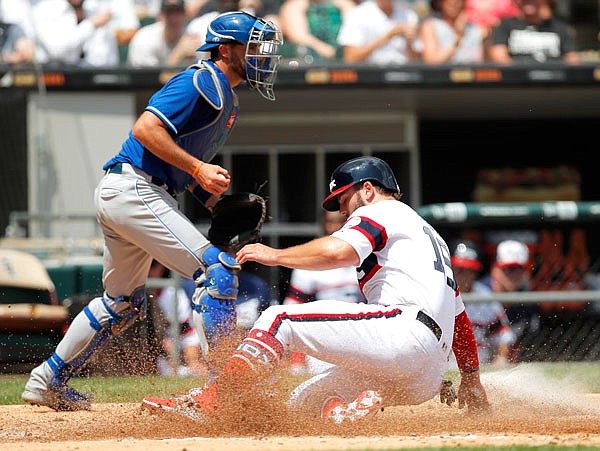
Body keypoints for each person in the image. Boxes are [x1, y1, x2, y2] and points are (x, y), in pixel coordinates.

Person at [21, 10, 283, 411]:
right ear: (226, 50)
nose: (262, 57)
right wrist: (197, 168)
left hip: (133, 191)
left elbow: (177, 158)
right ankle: (224, 391)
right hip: (134, 188)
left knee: (121, 302)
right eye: (252, 48)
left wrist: (208, 196)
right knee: (216, 271)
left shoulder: (225, 97)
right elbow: (145, 129)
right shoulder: (200, 79)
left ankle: (46, 381)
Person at [142, 156, 490, 424]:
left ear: (368, 190)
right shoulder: (431, 237)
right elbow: (459, 318)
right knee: (303, 400)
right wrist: (471, 379)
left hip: (402, 333)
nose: (340, 209)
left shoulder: (384, 210)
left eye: (343, 197)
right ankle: (343, 414)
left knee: (278, 318)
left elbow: (341, 251)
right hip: (425, 373)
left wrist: (275, 255)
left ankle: (211, 401)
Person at [283, 210, 364, 375]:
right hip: (324, 337)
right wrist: (297, 360)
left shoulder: (366, 258)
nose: (336, 227)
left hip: (361, 336)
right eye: (331, 222)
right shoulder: (309, 263)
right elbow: (292, 311)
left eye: (341, 221)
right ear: (323, 225)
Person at [450, 239, 516, 367]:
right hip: (445, 368)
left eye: (468, 270)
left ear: (475, 272)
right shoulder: (440, 293)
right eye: (459, 269)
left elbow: (503, 336)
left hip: (480, 367)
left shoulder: (485, 297)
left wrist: (500, 359)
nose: (463, 275)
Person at [147, 260, 208, 377]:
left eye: (152, 265)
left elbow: (186, 329)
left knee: (193, 368)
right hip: (166, 339)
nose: (149, 271)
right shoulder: (148, 293)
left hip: (181, 342)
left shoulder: (170, 293)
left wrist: (192, 361)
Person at [482, 239, 538, 362]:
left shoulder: (526, 303)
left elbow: (519, 348)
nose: (514, 274)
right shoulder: (479, 293)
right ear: (495, 267)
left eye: (519, 268)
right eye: (509, 268)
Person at [488, 0, 580, 64]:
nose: (529, 1)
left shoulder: (560, 27)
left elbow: (572, 58)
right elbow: (499, 57)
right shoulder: (504, 25)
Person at [32, 0, 119, 67]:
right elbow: (56, 51)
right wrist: (91, 24)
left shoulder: (95, 11)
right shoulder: (44, 11)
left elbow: (108, 60)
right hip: (54, 83)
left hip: (93, 85)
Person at [336, 0, 421, 65]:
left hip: (405, 78)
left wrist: (409, 42)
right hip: (370, 78)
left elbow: (417, 61)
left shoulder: (409, 16)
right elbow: (350, 58)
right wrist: (387, 37)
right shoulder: (357, 15)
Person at [127, 0, 200, 67]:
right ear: (160, 16)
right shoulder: (144, 39)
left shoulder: (190, 37)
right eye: (169, 13)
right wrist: (177, 55)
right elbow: (150, 78)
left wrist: (193, 61)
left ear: (185, 16)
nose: (174, 19)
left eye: (178, 13)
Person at [278, 0, 355, 63]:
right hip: (310, 57)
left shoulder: (344, 4)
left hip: (342, 55)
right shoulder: (295, 5)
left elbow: (354, 32)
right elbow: (298, 35)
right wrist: (324, 49)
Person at [419, 0, 484, 64]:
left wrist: (485, 41)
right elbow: (431, 62)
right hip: (442, 74)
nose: (454, 2)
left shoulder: (475, 28)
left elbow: (484, 64)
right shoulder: (430, 26)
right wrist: (458, 40)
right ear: (439, 3)